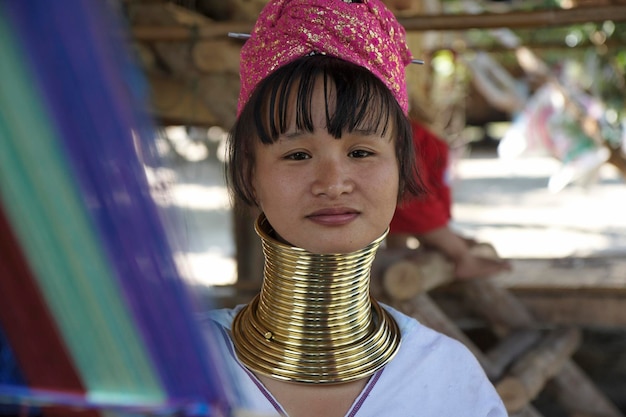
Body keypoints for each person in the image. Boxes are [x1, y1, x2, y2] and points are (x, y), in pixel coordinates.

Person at [202, 1, 507, 416]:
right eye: (296, 155)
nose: (333, 183)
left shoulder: (448, 380)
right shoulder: (179, 368)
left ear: (401, 167)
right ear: (250, 172)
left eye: (361, 152)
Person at [387, 105, 512, 280]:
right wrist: (450, 239)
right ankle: (463, 259)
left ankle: (403, 251)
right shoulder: (424, 140)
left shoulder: (420, 139)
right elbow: (423, 198)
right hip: (407, 174)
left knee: (404, 211)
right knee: (415, 203)